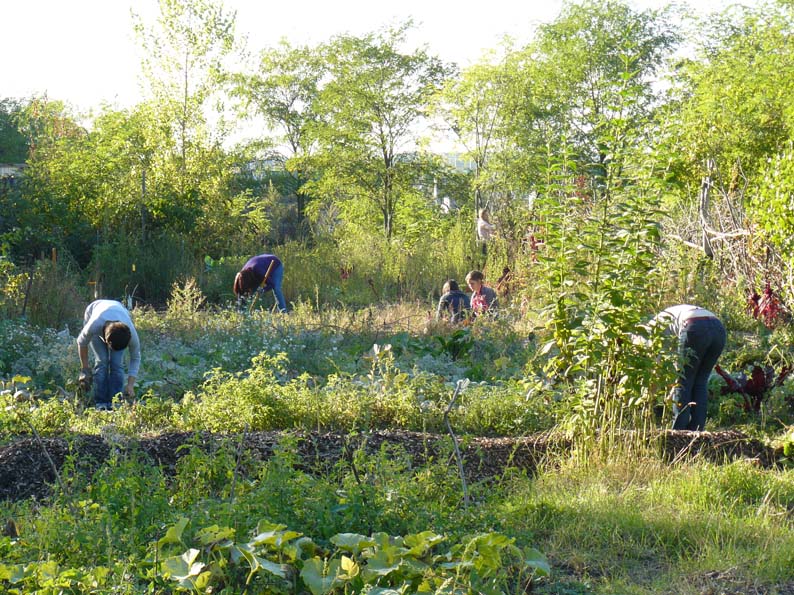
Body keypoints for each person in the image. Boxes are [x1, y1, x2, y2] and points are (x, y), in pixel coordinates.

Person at [651, 304, 726, 431]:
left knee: (683, 381)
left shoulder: (650, 332)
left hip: (695, 326)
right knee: (700, 382)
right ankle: (696, 433)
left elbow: (656, 366)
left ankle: (679, 433)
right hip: (718, 329)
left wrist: (651, 397)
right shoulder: (663, 321)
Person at [76, 299, 141, 410]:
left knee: (116, 364)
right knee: (102, 361)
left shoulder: (130, 332)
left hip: (119, 311)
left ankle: (115, 401)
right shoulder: (94, 325)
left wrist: (130, 385)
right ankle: (100, 402)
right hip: (94, 311)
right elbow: (81, 342)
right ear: (106, 341)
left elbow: (135, 357)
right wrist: (85, 369)